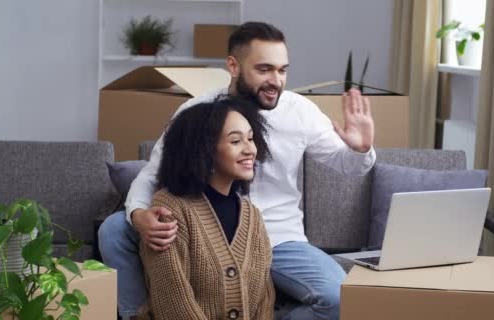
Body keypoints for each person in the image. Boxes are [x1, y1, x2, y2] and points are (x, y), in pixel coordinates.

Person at [99, 21, 376, 320]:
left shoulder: (300, 111)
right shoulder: (197, 111)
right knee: (114, 229)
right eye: (264, 69)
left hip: (277, 236)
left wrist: (360, 148)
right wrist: (139, 216)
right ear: (233, 65)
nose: (276, 80)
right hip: (200, 230)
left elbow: (348, 166)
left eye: (282, 70)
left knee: (341, 297)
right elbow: (152, 174)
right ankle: (138, 315)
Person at [139, 96, 274, 319]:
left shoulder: (253, 217)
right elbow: (173, 302)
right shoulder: (170, 210)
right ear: (205, 149)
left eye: (251, 139)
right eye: (235, 141)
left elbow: (265, 299)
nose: (250, 149)